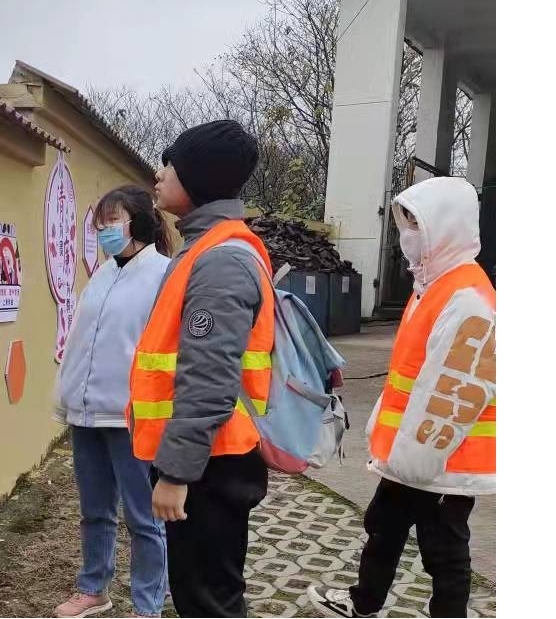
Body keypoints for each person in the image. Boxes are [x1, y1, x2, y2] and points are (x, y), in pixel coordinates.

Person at [307, 176, 496, 619]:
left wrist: (415, 460)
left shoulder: (467, 297)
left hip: (441, 457)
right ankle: (363, 603)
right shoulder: (433, 285)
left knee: (443, 547)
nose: (407, 235)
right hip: (417, 453)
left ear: (445, 225)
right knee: (385, 527)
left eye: (417, 224)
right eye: (405, 223)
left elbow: (456, 387)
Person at [129, 120, 272, 618]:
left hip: (212, 465)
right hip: (208, 459)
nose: (159, 174)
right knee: (202, 595)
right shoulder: (206, 247)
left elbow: (210, 378)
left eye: (170, 165)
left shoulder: (220, 261)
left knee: (208, 602)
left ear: (198, 178)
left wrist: (175, 473)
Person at [52, 185, 173, 619]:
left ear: (138, 222)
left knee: (144, 519)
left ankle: (147, 606)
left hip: (132, 416)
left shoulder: (164, 274)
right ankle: (93, 588)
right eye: (99, 224)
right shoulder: (102, 275)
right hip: (85, 413)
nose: (103, 230)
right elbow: (83, 341)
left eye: (112, 222)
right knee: (95, 511)